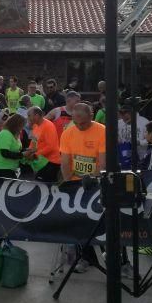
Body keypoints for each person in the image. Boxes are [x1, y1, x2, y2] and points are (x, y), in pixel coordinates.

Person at [59, 102, 106, 273]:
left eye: (83, 123)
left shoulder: (102, 131)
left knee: (101, 221)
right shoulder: (68, 132)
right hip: (76, 182)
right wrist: (68, 182)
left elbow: (103, 164)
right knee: (79, 221)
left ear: (91, 116)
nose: (79, 126)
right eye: (76, 122)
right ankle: (86, 258)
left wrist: (91, 178)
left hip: (97, 182)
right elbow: (65, 160)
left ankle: (119, 261)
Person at [24, 107, 61, 182]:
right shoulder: (35, 125)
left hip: (52, 162)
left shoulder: (48, 126)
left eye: (29, 115)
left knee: (45, 185)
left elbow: (51, 146)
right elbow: (34, 141)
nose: (28, 118)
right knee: (38, 182)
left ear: (37, 115)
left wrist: (35, 155)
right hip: (41, 161)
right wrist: (29, 150)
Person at [0, 113, 26, 179]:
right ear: (16, 125)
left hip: (11, 168)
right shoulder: (5, 134)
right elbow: (4, 153)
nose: (22, 128)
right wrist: (22, 155)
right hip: (2, 169)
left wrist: (26, 151)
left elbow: (17, 149)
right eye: (22, 125)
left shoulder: (15, 134)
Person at [117, 105, 150, 170]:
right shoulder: (119, 123)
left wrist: (139, 142)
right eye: (122, 115)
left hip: (141, 158)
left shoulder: (144, 122)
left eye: (126, 116)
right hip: (124, 158)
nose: (124, 119)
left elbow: (150, 140)